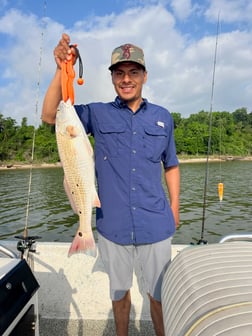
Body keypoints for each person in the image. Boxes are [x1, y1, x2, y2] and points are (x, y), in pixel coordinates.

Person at [41, 33, 180, 336]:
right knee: (119, 296)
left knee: (159, 297)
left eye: (133, 72)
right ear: (112, 77)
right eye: (119, 73)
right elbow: (51, 115)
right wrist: (60, 68)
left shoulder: (163, 117)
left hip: (156, 222)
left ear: (144, 75)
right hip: (112, 225)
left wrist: (175, 207)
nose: (126, 79)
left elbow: (171, 165)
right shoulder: (96, 113)